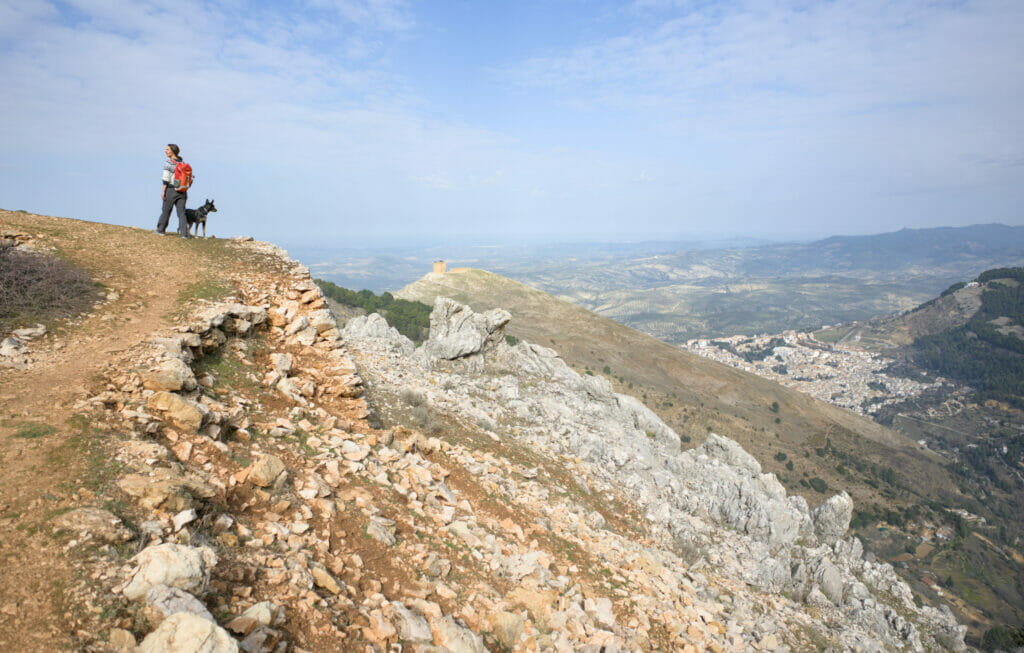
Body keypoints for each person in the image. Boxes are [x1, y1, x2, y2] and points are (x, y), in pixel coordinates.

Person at [156, 143, 191, 238]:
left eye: (167, 149)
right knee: (181, 213)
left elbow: (165, 179)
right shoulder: (183, 163)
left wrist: (163, 191)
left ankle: (160, 230)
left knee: (166, 210)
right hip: (183, 191)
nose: (165, 151)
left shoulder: (169, 163)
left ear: (172, 151)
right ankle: (184, 234)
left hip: (171, 190)